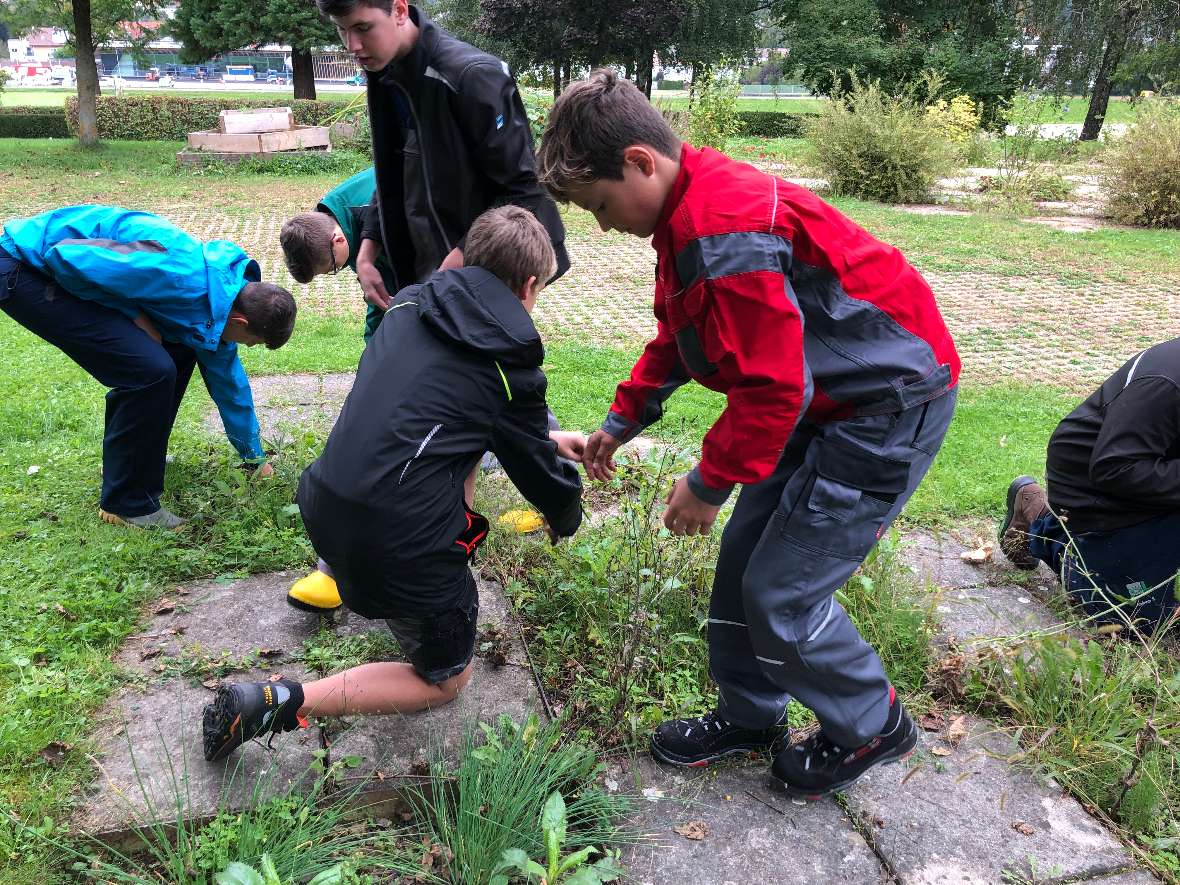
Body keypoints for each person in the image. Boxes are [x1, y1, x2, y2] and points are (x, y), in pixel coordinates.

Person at [537, 70, 960, 800]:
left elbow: (773, 387)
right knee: (742, 567)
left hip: (884, 408)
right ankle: (750, 713)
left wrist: (708, 482)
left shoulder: (719, 228)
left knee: (782, 593)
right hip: (824, 402)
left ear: (641, 161)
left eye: (599, 205)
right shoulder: (685, 214)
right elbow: (683, 330)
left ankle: (872, 724)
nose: (602, 224)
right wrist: (621, 420)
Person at [202, 206, 584, 761]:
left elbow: (439, 410)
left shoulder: (406, 306)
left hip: (325, 506)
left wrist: (546, 435)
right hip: (395, 541)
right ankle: (276, 700)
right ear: (529, 286)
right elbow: (544, 481)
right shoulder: (507, 360)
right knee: (444, 680)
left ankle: (408, 586)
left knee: (457, 457)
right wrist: (566, 514)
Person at [284, 0, 572, 614]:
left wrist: (463, 260)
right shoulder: (385, 74)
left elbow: (523, 187)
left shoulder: (472, 77)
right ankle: (370, 556)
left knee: (473, 408)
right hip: (425, 274)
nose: (354, 45)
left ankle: (457, 549)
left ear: (399, 8)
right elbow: (391, 176)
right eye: (342, 33)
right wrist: (368, 245)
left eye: (362, 28)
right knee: (418, 402)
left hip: (490, 272)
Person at [0, 205, 296, 529]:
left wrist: (253, 456)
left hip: (59, 264)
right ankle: (128, 503)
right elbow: (65, 258)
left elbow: (229, 385)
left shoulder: (221, 301)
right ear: (240, 321)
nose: (241, 347)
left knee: (179, 352)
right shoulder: (176, 273)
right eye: (248, 341)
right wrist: (134, 315)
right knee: (150, 371)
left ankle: (137, 460)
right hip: (24, 265)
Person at [999, 338, 1180, 634]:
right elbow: (1117, 468)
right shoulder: (1165, 383)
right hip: (1098, 495)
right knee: (1135, 623)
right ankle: (1046, 527)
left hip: (1160, 488)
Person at [279, 167, 395, 343]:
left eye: (333, 268)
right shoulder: (335, 221)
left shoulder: (380, 216)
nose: (338, 269)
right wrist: (371, 355)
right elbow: (379, 293)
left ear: (338, 240)